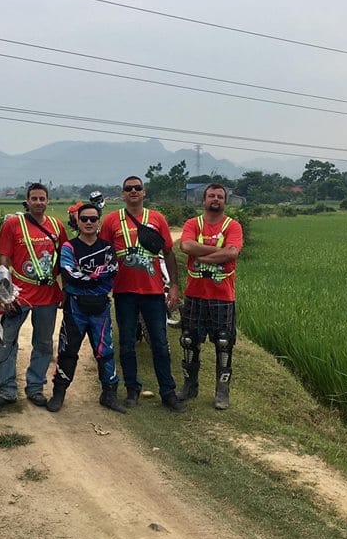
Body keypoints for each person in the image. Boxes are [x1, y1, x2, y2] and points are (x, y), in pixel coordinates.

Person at [100, 175, 186, 412]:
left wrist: (175, 287)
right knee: (127, 343)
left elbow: (168, 253)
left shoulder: (156, 218)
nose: (134, 191)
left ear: (144, 192)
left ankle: (167, 392)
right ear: (123, 194)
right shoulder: (111, 221)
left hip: (153, 291)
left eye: (138, 188)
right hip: (124, 291)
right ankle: (132, 389)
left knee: (160, 343)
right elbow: (103, 254)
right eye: (129, 189)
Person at [0, 183, 67, 410]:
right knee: (6, 342)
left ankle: (35, 388)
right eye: (35, 198)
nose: (39, 202)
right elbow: (3, 260)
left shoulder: (56, 226)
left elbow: (64, 260)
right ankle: (6, 390)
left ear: (48, 201)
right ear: (27, 201)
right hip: (19, 296)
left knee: (43, 343)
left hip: (48, 295)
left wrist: (65, 290)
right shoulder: (14, 224)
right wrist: (5, 294)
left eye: (43, 198)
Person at [48, 202, 123, 413]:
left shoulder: (107, 247)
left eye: (93, 219)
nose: (89, 223)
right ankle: (59, 393)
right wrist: (97, 275)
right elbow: (69, 274)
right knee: (68, 350)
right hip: (75, 307)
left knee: (105, 352)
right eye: (84, 219)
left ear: (99, 221)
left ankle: (109, 393)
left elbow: (113, 271)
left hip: (100, 308)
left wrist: (87, 276)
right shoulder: (68, 247)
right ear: (77, 222)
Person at [177, 183, 243, 409]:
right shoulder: (192, 223)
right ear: (203, 200)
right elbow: (186, 245)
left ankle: (222, 391)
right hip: (195, 295)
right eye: (211, 196)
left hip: (223, 296)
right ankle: (189, 386)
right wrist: (219, 254)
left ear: (225, 201)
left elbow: (233, 252)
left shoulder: (232, 226)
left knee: (224, 343)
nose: (215, 199)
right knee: (188, 340)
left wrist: (202, 256)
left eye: (220, 196)